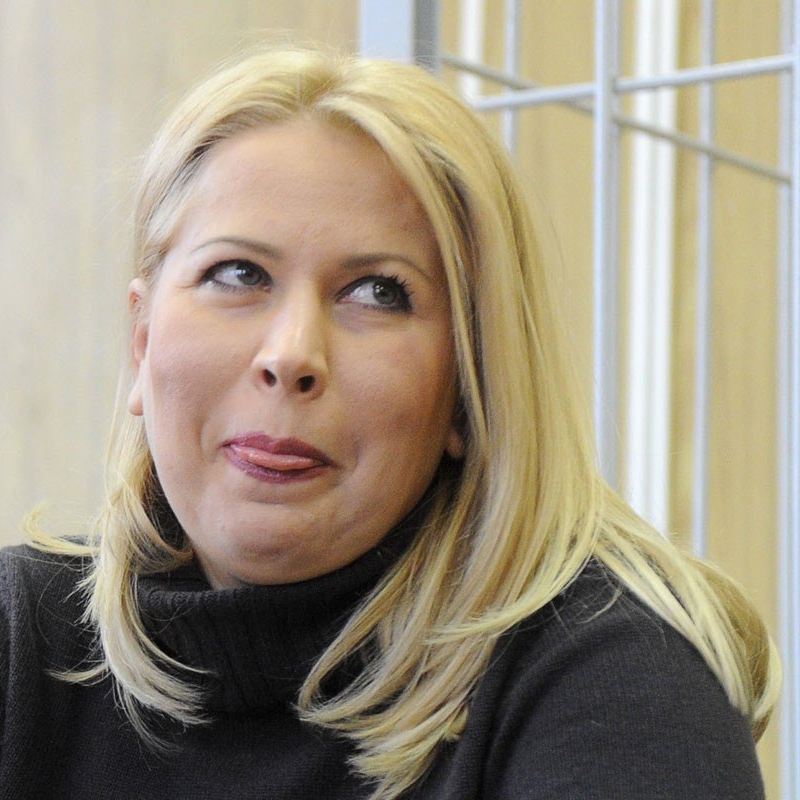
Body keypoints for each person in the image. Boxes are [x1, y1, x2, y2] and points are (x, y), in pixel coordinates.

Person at [0, 46, 780, 799]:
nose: (291, 354)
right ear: (142, 341)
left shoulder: (620, 675)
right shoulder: (19, 636)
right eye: (237, 273)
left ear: (472, 387)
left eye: (378, 292)